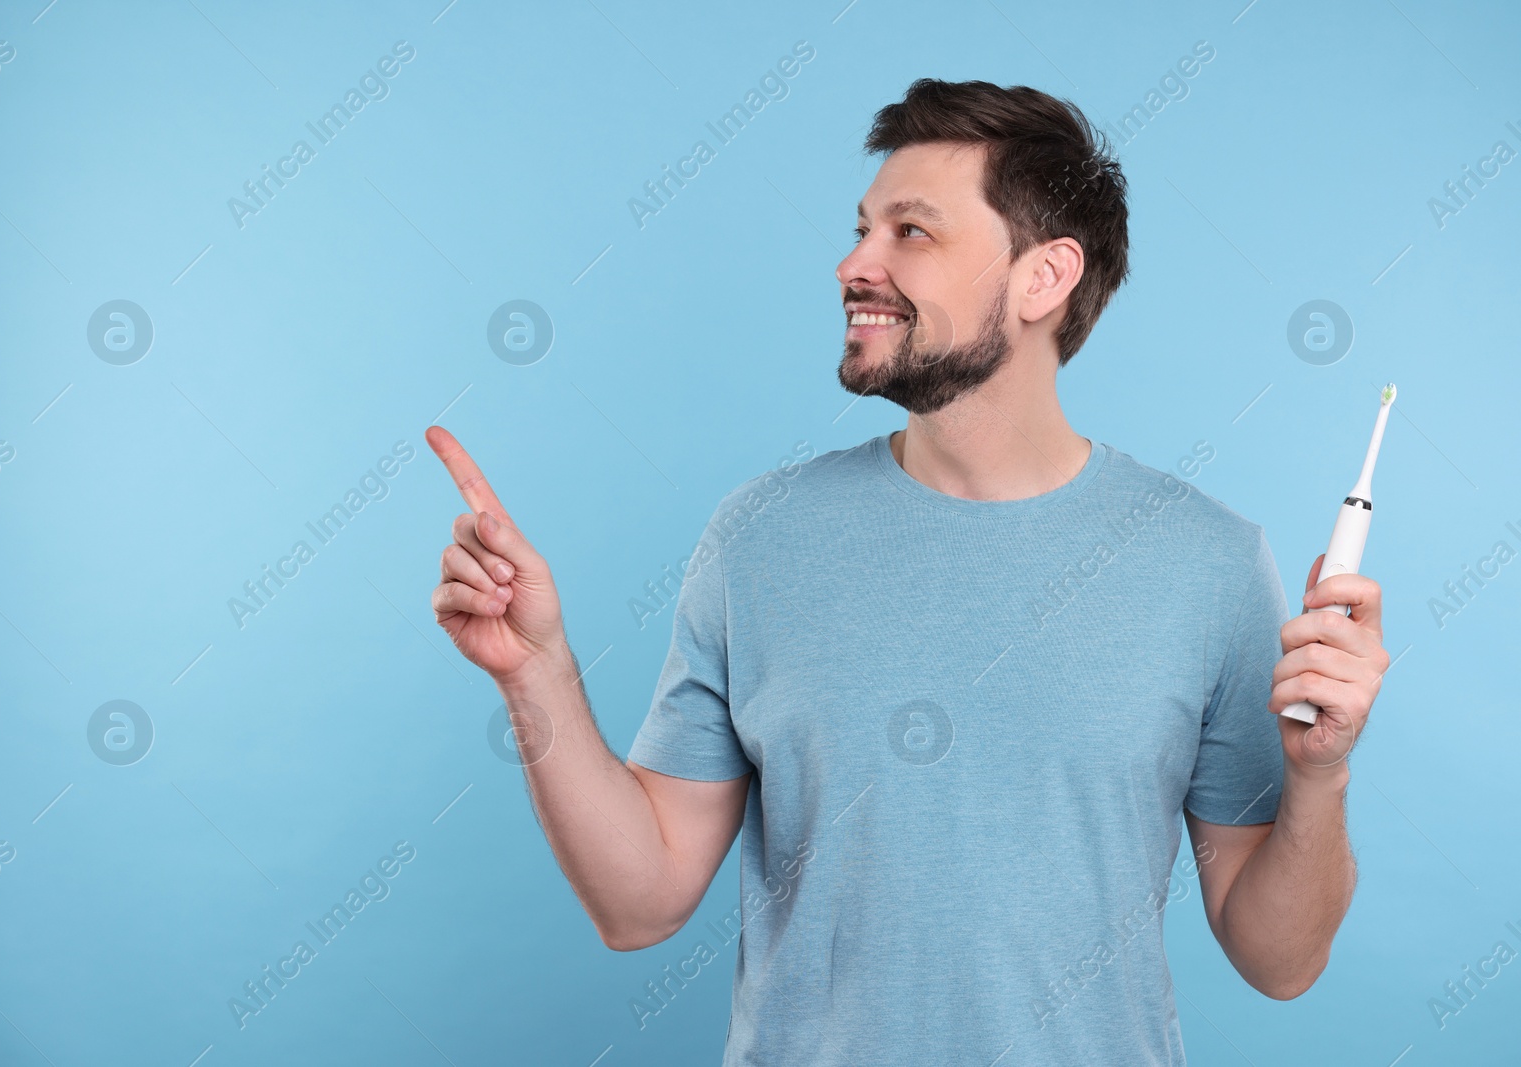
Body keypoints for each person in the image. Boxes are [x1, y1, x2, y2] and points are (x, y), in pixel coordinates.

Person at [424, 78, 1388, 1065]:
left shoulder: (1210, 563)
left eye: (911, 232)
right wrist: (533, 669)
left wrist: (1320, 776)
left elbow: (1280, 961)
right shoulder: (758, 536)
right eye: (861, 228)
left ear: (1043, 277)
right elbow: (639, 903)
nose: (854, 263)